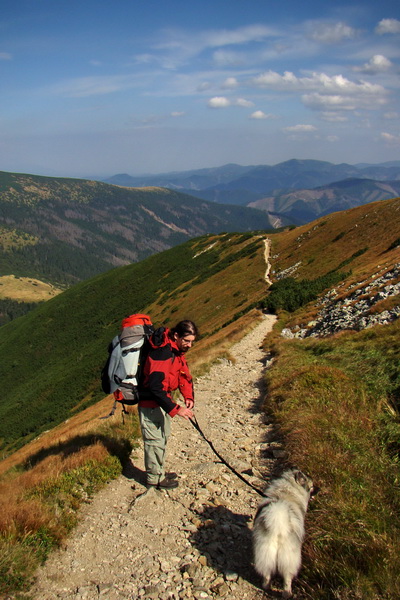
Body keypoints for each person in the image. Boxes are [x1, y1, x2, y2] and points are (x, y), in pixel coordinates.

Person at [138, 319, 198, 489]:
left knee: (162, 437)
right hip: (150, 403)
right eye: (187, 341)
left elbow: (182, 375)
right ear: (176, 335)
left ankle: (159, 471)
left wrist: (188, 396)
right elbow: (156, 387)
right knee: (154, 441)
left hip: (162, 402)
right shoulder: (163, 352)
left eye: (192, 342)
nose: (189, 345)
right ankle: (154, 480)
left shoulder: (176, 350)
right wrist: (176, 409)